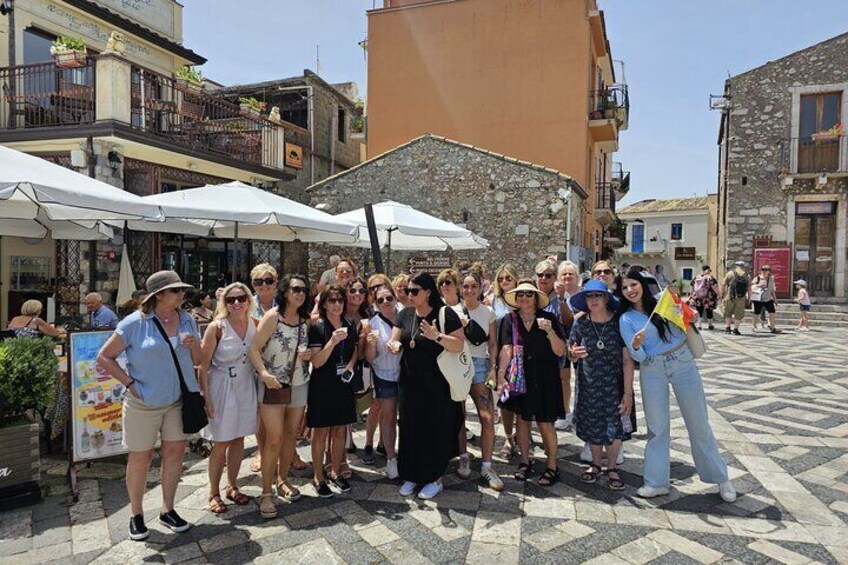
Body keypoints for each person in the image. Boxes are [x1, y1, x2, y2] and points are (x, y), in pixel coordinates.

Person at [97, 270, 201, 541]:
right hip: (143, 403)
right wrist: (130, 385)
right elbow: (105, 357)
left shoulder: (188, 319)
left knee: (175, 453)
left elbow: (200, 359)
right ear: (158, 295)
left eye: (182, 290)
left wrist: (193, 346)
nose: (182, 294)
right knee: (140, 458)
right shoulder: (134, 323)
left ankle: (168, 508)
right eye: (176, 291)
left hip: (178, 400)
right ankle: (136, 514)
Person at [618, 269, 736, 503]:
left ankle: (721, 478)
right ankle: (656, 482)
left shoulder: (663, 302)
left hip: (682, 362)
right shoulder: (626, 319)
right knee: (657, 428)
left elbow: (685, 323)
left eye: (633, 284)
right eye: (624, 288)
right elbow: (637, 357)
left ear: (642, 284)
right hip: (652, 368)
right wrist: (637, 345)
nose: (630, 290)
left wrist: (687, 314)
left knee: (698, 422)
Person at [389, 272, 465, 499]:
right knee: (411, 427)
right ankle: (411, 474)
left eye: (414, 291)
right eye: (407, 291)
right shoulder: (405, 314)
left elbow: (458, 345)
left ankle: (435, 477)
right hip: (410, 382)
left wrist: (436, 336)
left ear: (428, 292)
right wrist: (393, 345)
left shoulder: (443, 314)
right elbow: (395, 338)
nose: (409, 295)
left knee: (435, 428)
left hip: (437, 384)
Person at [249, 274, 313, 518]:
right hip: (274, 385)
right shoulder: (272, 317)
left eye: (304, 289)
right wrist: (264, 373)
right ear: (285, 291)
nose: (300, 293)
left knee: (290, 436)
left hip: (299, 383)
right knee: (273, 439)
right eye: (296, 289)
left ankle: (282, 479)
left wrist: (307, 356)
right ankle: (266, 493)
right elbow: (254, 349)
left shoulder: (305, 320)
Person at [497, 280, 566, 487]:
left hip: (545, 376)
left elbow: (560, 351)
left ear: (536, 298)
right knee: (523, 420)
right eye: (520, 294)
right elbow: (506, 349)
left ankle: (552, 465)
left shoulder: (549, 318)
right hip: (521, 377)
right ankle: (525, 461)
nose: (524, 298)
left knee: (546, 422)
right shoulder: (510, 319)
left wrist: (550, 332)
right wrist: (501, 374)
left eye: (529, 294)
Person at [567, 280, 634, 491]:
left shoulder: (618, 323)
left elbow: (627, 360)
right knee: (593, 425)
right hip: (588, 384)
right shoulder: (580, 323)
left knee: (614, 428)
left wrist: (627, 393)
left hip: (614, 386)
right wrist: (573, 355)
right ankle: (595, 464)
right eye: (589, 296)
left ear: (606, 298)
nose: (593, 300)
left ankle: (612, 468)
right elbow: (571, 351)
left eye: (597, 295)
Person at [198, 283, 258, 514]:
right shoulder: (217, 327)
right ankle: (213, 492)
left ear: (248, 300)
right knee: (221, 440)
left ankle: (232, 485)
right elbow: (202, 366)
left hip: (245, 384)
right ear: (224, 303)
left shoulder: (254, 323)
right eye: (231, 299)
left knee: (239, 438)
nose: (236, 303)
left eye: (241, 298)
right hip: (222, 385)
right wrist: (206, 397)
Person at [307, 285, 358, 498]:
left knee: (339, 431)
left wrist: (351, 366)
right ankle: (318, 476)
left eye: (340, 300)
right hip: (322, 385)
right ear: (325, 303)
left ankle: (335, 470)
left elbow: (355, 349)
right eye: (332, 300)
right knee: (320, 432)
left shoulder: (349, 324)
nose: (337, 304)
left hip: (343, 384)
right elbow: (317, 362)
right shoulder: (318, 326)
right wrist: (332, 341)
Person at [457, 271, 503, 491]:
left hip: (480, 365)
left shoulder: (488, 312)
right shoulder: (453, 310)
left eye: (473, 286)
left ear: (480, 287)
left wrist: (493, 368)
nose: (469, 290)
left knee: (486, 416)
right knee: (459, 416)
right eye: (465, 286)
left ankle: (487, 465)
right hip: (457, 365)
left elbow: (493, 343)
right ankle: (463, 456)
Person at [364, 285, 401, 479]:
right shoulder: (373, 323)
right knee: (388, 416)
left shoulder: (407, 316)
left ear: (395, 298)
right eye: (381, 300)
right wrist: (370, 345)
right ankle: (391, 458)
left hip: (406, 376)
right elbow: (370, 359)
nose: (385, 302)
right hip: (384, 374)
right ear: (376, 304)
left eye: (389, 298)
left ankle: (408, 453)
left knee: (407, 417)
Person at [484, 263, 519, 459]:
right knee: (504, 398)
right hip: (500, 351)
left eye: (508, 278)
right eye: (501, 278)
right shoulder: (493, 301)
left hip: (521, 352)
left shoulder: (522, 297)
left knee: (520, 396)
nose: (504, 281)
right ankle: (508, 437)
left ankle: (522, 434)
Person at [248, 263, 279, 474]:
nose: (264, 285)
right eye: (259, 282)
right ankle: (261, 450)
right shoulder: (246, 303)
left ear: (276, 282)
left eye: (268, 281)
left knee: (283, 412)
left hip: (281, 363)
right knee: (261, 412)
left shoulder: (284, 302)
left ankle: (290, 452)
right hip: (256, 364)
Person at [361, 273, 394, 465]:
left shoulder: (400, 311)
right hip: (377, 369)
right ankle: (368, 442)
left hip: (397, 370)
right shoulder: (370, 313)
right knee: (376, 406)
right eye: (373, 288)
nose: (377, 292)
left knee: (389, 409)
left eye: (380, 286)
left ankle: (384, 442)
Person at [722, 261, 750, 335]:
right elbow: (749, 288)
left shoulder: (730, 273)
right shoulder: (747, 275)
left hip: (730, 296)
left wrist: (722, 294)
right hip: (741, 297)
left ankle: (728, 328)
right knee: (739, 313)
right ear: (743, 266)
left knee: (728, 312)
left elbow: (723, 284)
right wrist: (749, 298)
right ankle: (736, 329)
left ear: (736, 266)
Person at [751, 265, 778, 333]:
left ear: (769, 271)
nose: (764, 271)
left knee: (772, 312)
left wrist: (775, 299)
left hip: (768, 299)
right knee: (756, 313)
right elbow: (751, 287)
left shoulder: (771, 279)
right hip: (758, 299)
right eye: (763, 269)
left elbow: (772, 290)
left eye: (766, 270)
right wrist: (758, 285)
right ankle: (754, 326)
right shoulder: (757, 278)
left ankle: (772, 327)